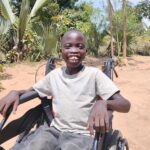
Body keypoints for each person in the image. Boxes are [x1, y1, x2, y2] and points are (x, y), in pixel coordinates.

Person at [0, 29, 131, 150]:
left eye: (79, 46)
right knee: (34, 145)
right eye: (68, 46)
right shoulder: (54, 75)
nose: (74, 50)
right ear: (61, 50)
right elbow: (32, 91)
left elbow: (125, 105)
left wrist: (104, 102)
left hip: (83, 135)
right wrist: (15, 92)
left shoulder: (94, 75)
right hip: (54, 131)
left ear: (85, 51)